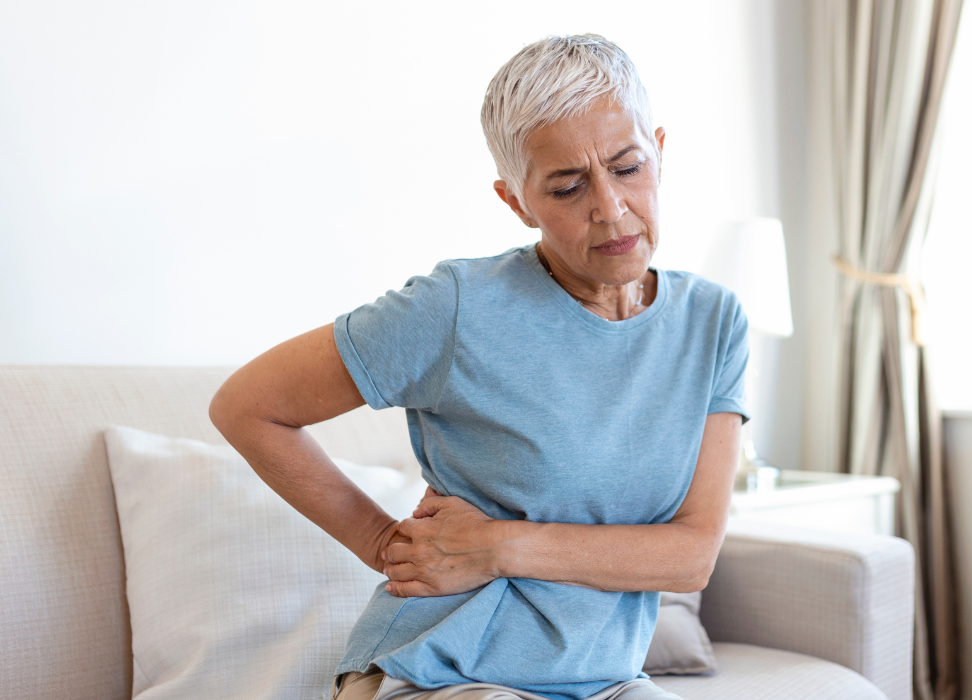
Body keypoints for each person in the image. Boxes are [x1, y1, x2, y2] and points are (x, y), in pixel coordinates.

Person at [209, 34, 749, 700]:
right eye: (567, 186)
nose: (609, 208)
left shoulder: (714, 323)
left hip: (604, 681)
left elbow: (691, 556)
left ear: (660, 152)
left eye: (628, 166)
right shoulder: (457, 307)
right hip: (439, 669)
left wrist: (498, 546)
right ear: (516, 201)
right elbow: (247, 406)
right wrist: (384, 542)